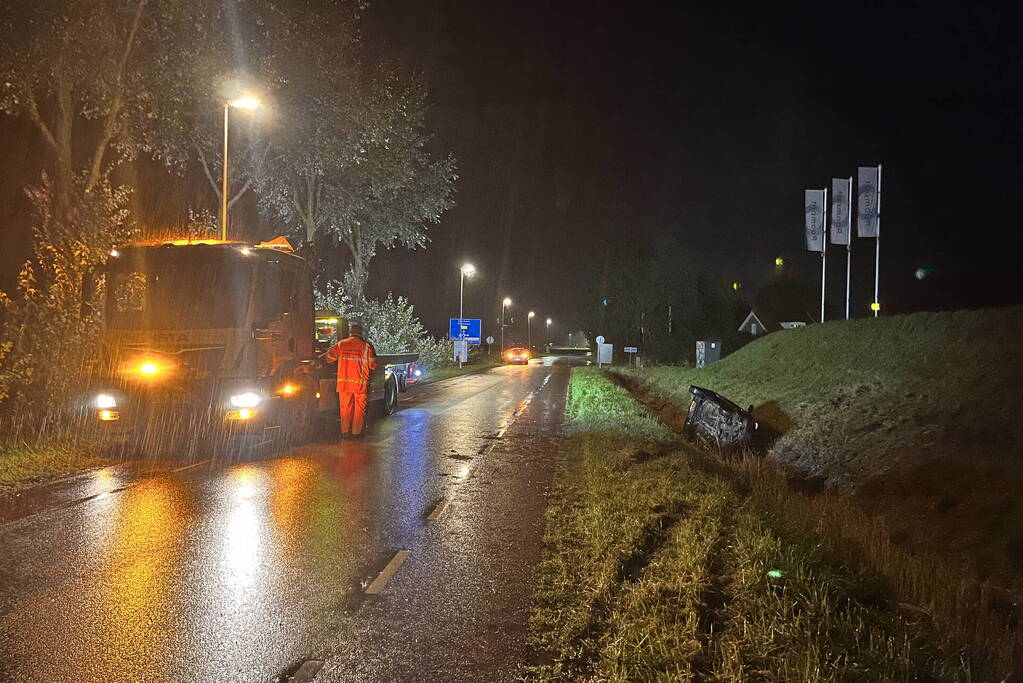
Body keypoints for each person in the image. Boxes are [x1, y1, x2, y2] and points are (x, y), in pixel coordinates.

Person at [320, 322, 377, 437]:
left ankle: (345, 432)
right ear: (361, 333)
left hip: (344, 384)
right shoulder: (366, 347)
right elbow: (373, 366)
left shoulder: (341, 344)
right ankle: (357, 432)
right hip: (359, 384)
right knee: (359, 409)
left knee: (345, 408)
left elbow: (329, 358)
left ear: (350, 333)